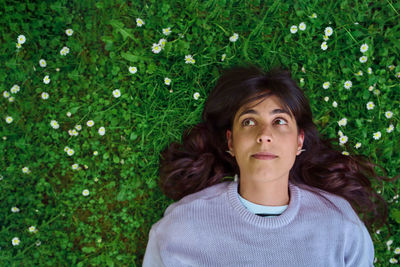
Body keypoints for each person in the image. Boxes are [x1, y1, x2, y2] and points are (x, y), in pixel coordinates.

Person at [142, 65, 396, 266]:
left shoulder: (340, 225)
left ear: (299, 142)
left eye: (280, 121)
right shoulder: (180, 227)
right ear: (230, 142)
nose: (265, 135)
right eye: (249, 122)